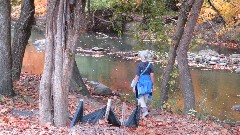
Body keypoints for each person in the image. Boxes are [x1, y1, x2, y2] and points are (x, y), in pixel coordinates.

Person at [132, 50, 154, 118]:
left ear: (141, 57)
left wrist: (134, 85)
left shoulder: (139, 65)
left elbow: (137, 76)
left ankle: (145, 111)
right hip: (148, 82)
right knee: (145, 97)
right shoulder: (150, 65)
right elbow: (152, 76)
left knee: (140, 96)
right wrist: (152, 84)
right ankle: (141, 112)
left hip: (141, 82)